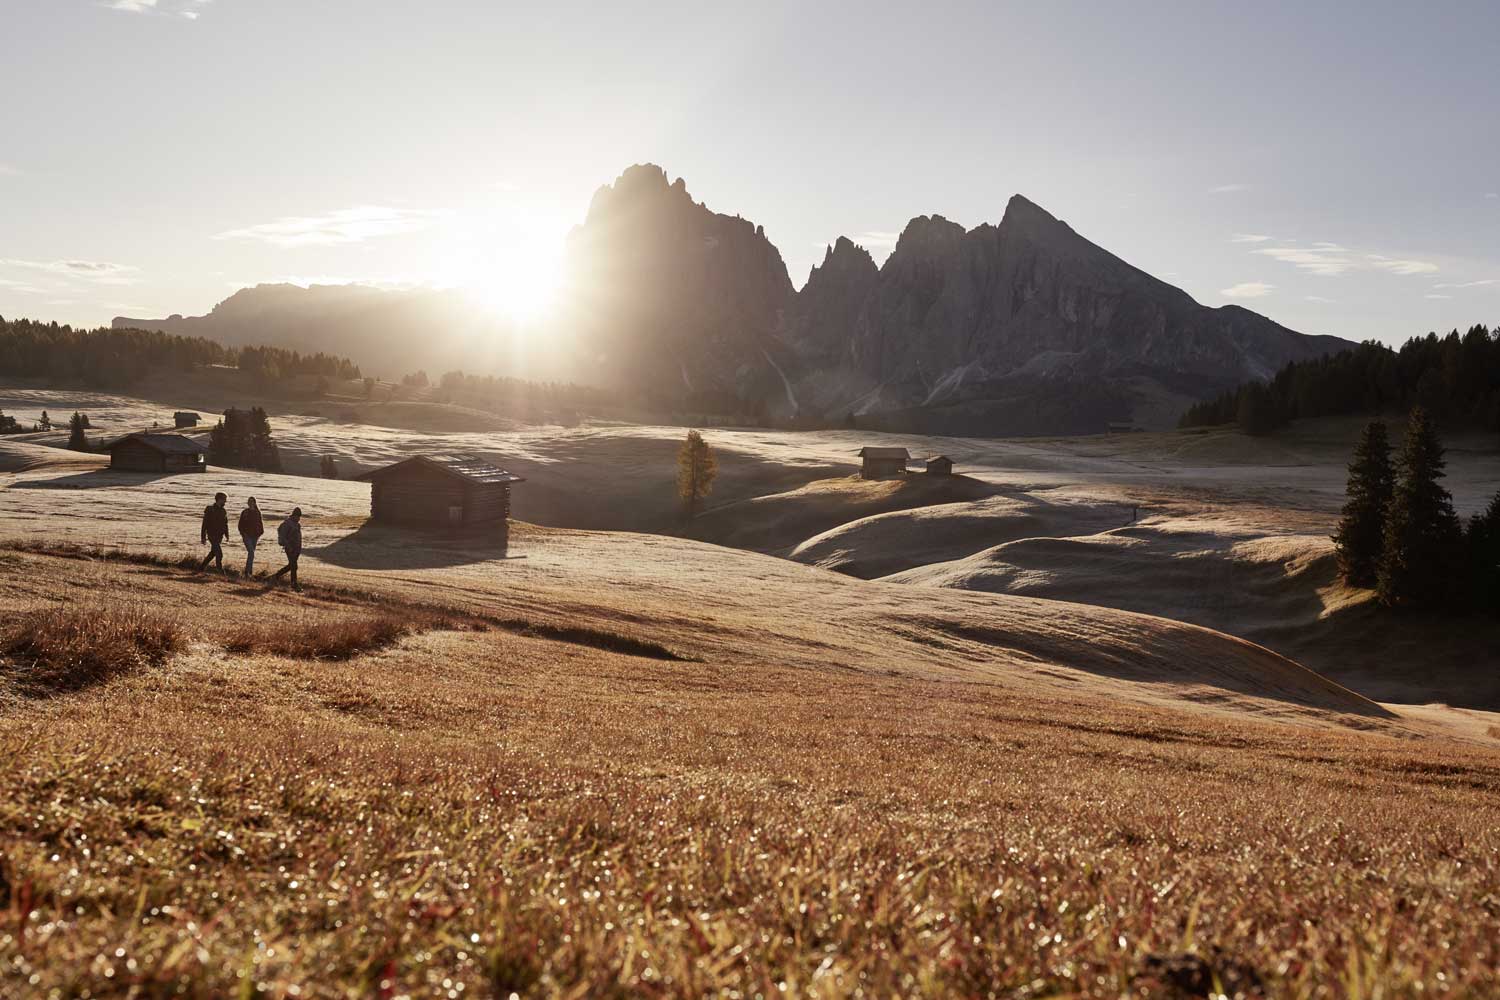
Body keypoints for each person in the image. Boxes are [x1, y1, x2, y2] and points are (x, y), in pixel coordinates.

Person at [271, 506, 303, 592]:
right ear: (294, 515)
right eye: (298, 516)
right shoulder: (288, 523)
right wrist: (288, 546)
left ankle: (276, 576)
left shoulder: (297, 524)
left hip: (296, 549)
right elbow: (283, 536)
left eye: (300, 516)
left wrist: (299, 549)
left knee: (292, 566)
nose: (299, 518)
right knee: (294, 566)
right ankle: (294, 584)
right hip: (290, 548)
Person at [199, 492, 230, 572]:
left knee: (213, 553)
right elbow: (204, 524)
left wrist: (227, 535)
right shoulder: (210, 509)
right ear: (219, 499)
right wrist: (203, 537)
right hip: (212, 535)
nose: (225, 502)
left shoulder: (223, 511)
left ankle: (201, 567)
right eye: (224, 500)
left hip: (219, 536)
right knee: (219, 554)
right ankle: (220, 571)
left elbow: (225, 524)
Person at [238, 496, 264, 577]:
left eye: (252, 501)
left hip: (255, 536)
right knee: (251, 553)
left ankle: (248, 572)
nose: (250, 503)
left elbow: (260, 523)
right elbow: (240, 524)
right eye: (249, 501)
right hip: (246, 536)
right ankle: (248, 572)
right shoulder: (245, 512)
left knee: (251, 554)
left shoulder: (257, 512)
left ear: (254, 503)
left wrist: (260, 532)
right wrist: (243, 533)